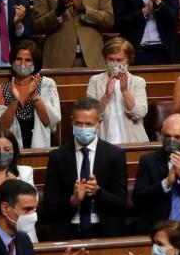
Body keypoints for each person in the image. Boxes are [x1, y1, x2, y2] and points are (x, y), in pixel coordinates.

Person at [40, 96, 129, 240]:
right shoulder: (58, 156)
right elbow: (49, 205)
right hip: (68, 229)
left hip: (103, 229)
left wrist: (98, 192)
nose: (83, 128)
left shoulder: (115, 155)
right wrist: (72, 200)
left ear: (98, 124)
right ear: (71, 122)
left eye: (88, 124)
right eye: (79, 124)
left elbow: (120, 203)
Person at [0, 40, 60, 149]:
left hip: (43, 145)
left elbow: (49, 122)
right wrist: (14, 102)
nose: (22, 64)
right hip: (12, 148)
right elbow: (1, 128)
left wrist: (34, 95)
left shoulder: (47, 84)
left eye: (28, 60)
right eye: (18, 59)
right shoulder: (1, 89)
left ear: (35, 63)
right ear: (12, 60)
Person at [85, 38, 149, 143]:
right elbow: (90, 115)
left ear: (127, 61)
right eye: (111, 59)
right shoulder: (95, 81)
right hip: (104, 140)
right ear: (105, 60)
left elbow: (139, 113)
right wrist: (106, 96)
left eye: (119, 60)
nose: (115, 64)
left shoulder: (138, 82)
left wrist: (125, 91)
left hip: (133, 141)